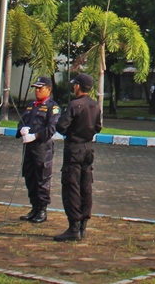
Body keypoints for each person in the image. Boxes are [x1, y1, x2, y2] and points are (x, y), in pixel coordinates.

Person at [54, 73, 103, 242]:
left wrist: (72, 133)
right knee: (85, 186)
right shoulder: (95, 106)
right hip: (88, 149)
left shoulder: (74, 105)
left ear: (78, 87)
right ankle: (83, 225)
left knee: (71, 186)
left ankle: (73, 226)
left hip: (74, 149)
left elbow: (61, 126)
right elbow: (98, 127)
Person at [17, 76, 60, 223]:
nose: (37, 91)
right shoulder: (31, 106)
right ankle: (34, 207)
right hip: (29, 149)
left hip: (42, 149)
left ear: (48, 89)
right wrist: (21, 130)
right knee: (30, 177)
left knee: (42, 179)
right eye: (36, 88)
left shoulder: (52, 107)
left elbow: (52, 128)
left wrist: (35, 136)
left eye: (40, 88)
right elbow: (22, 121)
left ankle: (42, 210)